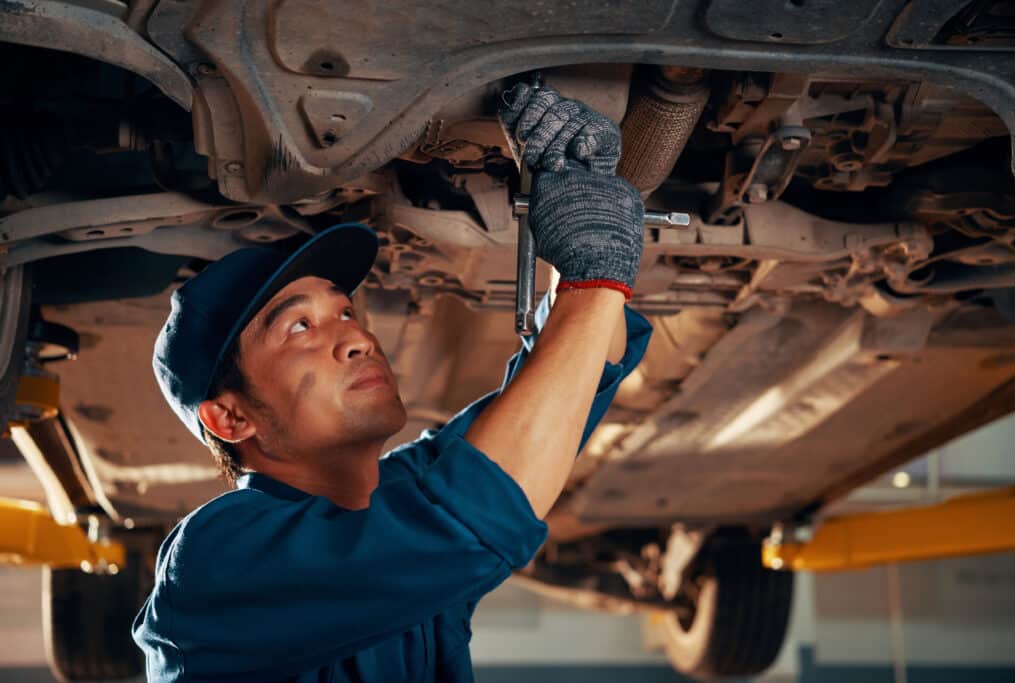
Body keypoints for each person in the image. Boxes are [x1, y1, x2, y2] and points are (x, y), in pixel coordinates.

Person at [132, 84, 653, 682]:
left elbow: (568, 394)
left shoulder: (399, 505)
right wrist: (593, 279)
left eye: (345, 311)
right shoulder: (215, 561)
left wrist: (580, 190)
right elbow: (483, 505)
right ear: (230, 419)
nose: (356, 338)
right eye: (300, 326)